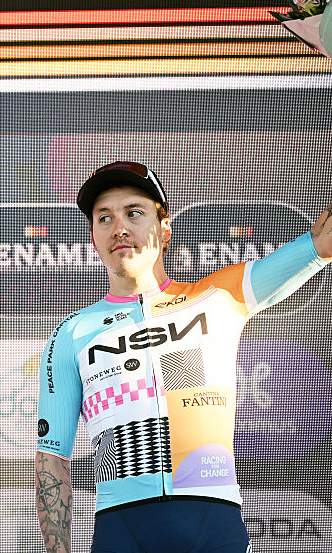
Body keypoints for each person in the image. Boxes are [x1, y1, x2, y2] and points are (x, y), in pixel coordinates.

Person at [35, 161, 331, 553]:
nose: (119, 227)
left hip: (213, 523)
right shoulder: (71, 333)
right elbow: (52, 459)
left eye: (133, 213)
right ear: (93, 237)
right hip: (121, 529)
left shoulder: (219, 296)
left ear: (164, 228)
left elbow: (318, 246)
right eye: (104, 217)